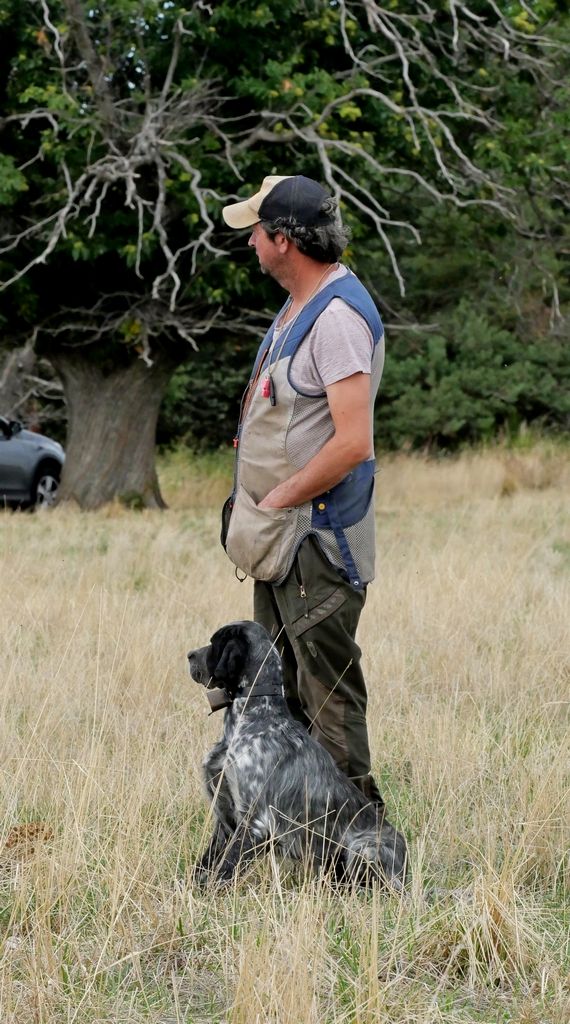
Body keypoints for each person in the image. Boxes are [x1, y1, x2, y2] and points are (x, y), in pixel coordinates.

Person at [221, 174, 386, 811]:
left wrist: (278, 496)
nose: (252, 243)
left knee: (329, 699)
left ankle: (361, 861)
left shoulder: (337, 319)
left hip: (317, 541)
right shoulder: (302, 303)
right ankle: (304, 841)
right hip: (285, 538)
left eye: (257, 233)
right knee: (278, 692)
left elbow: (352, 443)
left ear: (284, 241)